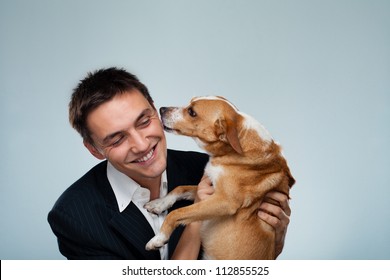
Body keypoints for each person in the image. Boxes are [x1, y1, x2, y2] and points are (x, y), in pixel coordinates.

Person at [48, 67, 291, 260]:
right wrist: (198, 215)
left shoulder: (204, 169)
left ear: (155, 110)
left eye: (144, 121)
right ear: (94, 150)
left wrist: (273, 240)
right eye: (117, 138)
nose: (142, 145)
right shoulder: (74, 217)